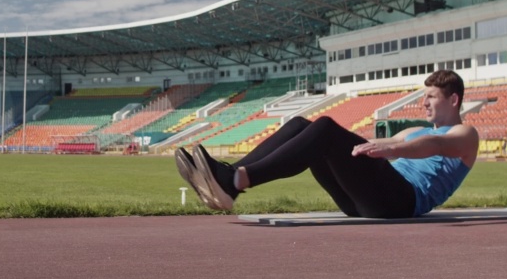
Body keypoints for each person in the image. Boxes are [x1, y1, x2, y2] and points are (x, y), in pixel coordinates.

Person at [176, 69, 478, 218]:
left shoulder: (465, 135)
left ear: (453, 100)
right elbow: (377, 142)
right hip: (365, 198)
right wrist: (371, 147)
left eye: (432, 97)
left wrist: (392, 150)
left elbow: (432, 147)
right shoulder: (413, 129)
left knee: (325, 129)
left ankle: (238, 180)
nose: (424, 103)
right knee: (301, 126)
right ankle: (228, 177)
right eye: (423, 96)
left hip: (402, 201)